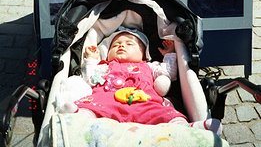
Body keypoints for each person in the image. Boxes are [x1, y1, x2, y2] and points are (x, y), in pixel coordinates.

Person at [60, 27, 222, 135]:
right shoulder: (105, 66)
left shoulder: (150, 66)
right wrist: (91, 60)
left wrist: (170, 53)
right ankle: (77, 118)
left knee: (165, 113)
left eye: (129, 44)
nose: (121, 46)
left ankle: (188, 129)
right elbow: (90, 80)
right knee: (91, 105)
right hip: (108, 102)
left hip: (144, 103)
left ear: (144, 54)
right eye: (115, 45)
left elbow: (169, 73)